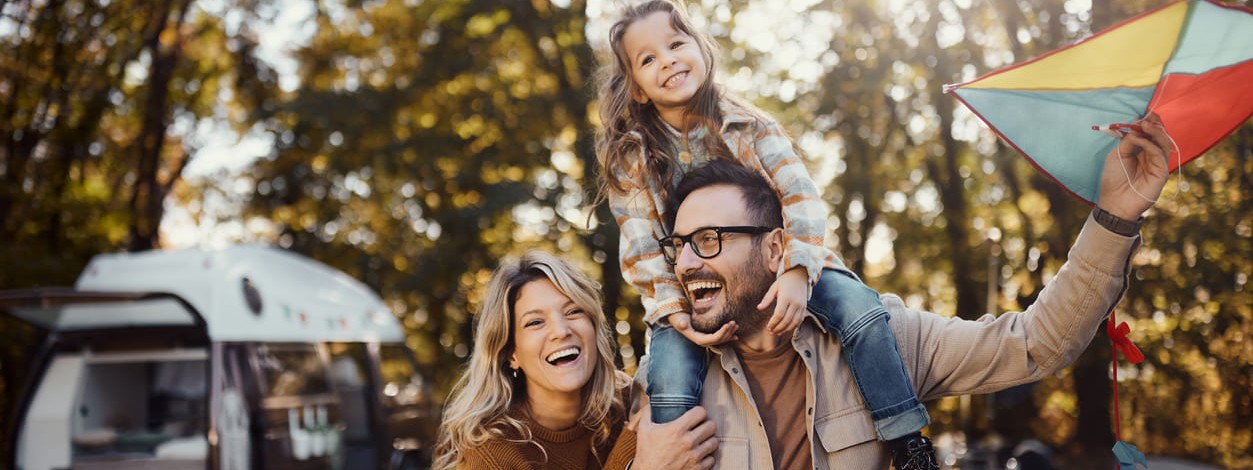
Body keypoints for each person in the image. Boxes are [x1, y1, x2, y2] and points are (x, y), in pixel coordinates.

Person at [635, 113, 1172, 469]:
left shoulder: (881, 340)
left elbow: (1036, 343)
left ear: (778, 249)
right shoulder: (665, 381)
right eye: (678, 244)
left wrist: (1115, 216)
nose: (683, 263)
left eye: (707, 240)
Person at [594, 1, 936, 466]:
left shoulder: (749, 126)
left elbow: (801, 197)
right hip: (687, 295)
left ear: (702, 50)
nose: (668, 60)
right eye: (648, 58)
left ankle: (906, 439)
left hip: (790, 262)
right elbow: (641, 249)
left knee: (862, 311)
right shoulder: (634, 158)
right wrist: (677, 314)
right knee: (669, 371)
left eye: (676, 44)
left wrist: (797, 271)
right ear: (635, 87)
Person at [434, 251, 718, 469]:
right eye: (535, 322)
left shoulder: (630, 404)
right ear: (511, 353)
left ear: (594, 328)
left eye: (573, 312)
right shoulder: (492, 452)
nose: (561, 331)